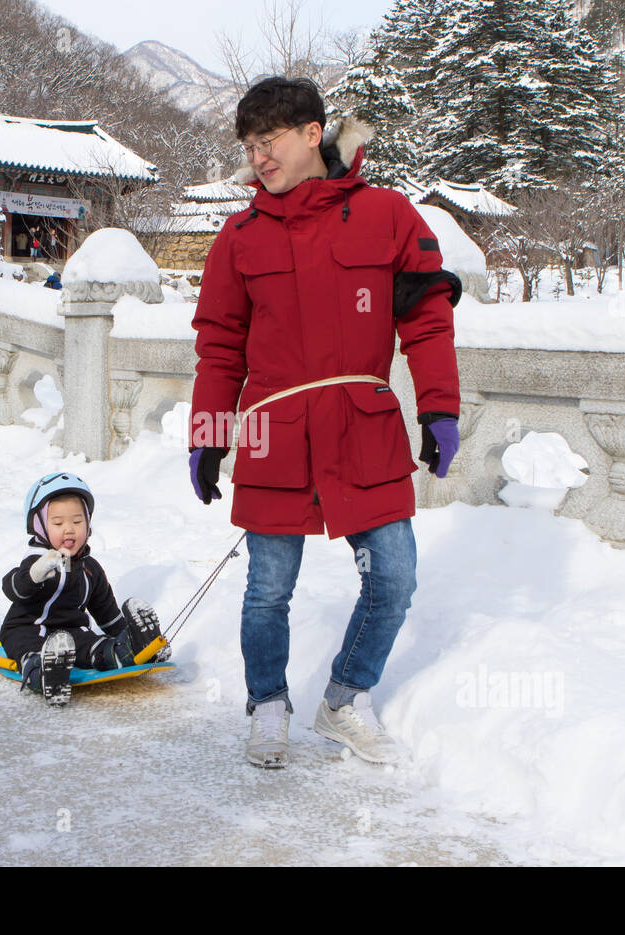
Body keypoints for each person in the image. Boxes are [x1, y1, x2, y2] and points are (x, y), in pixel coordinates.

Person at [186, 76, 462, 768]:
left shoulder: (387, 215)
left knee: (393, 577)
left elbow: (427, 320)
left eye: (269, 140)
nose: (259, 157)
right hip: (273, 433)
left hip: (362, 429)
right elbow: (219, 344)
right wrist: (210, 436)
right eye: (249, 146)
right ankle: (268, 704)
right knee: (267, 590)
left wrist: (439, 408)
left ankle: (344, 698)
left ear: (314, 133)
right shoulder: (240, 237)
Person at [0, 472, 164, 705]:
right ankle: (46, 674)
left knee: (92, 645)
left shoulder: (90, 569)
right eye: (58, 523)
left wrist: (123, 633)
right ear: (39, 526)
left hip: (70, 633)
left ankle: (129, 650)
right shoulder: (38, 561)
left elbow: (106, 612)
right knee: (30, 651)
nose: (69, 529)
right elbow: (12, 589)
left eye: (77, 522)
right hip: (27, 629)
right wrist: (33, 575)